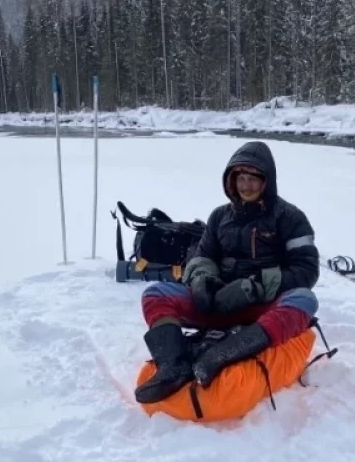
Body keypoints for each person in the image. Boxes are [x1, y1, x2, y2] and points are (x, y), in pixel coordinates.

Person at [135, 141, 320, 404]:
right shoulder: (219, 217)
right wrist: (201, 281)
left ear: (267, 181)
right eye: (240, 178)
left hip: (261, 310)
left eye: (253, 179)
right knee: (156, 293)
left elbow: (306, 270)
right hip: (217, 303)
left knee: (304, 299)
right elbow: (202, 256)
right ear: (231, 181)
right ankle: (172, 365)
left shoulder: (291, 218)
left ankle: (220, 354)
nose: (246, 186)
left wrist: (255, 287)